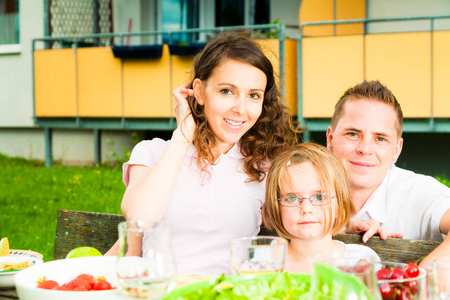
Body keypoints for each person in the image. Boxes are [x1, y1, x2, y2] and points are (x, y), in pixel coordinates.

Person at [110, 30, 298, 276]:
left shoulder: (265, 167)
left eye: (254, 95)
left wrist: (352, 222)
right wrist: (183, 134)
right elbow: (140, 217)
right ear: (199, 92)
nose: (240, 109)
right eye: (227, 91)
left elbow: (305, 212)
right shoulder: (153, 152)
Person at [326, 80, 450, 267]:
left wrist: (425, 271)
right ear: (330, 139)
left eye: (380, 138)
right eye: (353, 134)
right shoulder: (302, 187)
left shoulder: (417, 191)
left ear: (396, 150)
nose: (365, 149)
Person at [262, 143, 379, 273]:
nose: (306, 209)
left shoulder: (360, 260)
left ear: (339, 206)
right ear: (276, 207)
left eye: (319, 197)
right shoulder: (266, 263)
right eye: (292, 198)